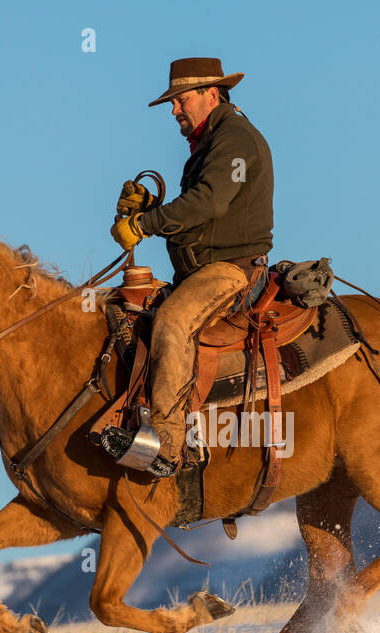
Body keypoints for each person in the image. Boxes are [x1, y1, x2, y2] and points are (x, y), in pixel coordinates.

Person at [105, 57, 274, 477]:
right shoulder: (212, 143)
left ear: (210, 94)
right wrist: (154, 209)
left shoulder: (234, 140)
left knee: (173, 323)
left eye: (180, 100)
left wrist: (144, 223)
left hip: (231, 271)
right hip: (202, 270)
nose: (175, 110)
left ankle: (167, 447)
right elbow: (207, 212)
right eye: (172, 103)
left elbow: (209, 203)